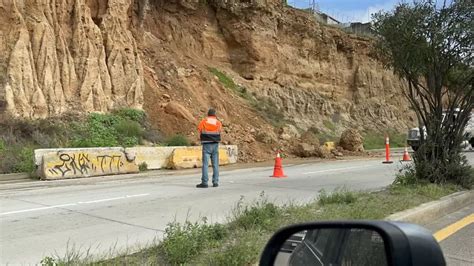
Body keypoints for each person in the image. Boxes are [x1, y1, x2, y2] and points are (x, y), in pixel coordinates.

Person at [196, 108, 222, 188]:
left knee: (205, 165)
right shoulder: (218, 123)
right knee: (215, 165)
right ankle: (215, 182)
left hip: (206, 145)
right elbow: (220, 131)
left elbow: (199, 130)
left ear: (208, 114)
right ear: (215, 115)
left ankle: (204, 183)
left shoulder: (204, 121)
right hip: (215, 145)